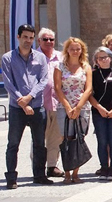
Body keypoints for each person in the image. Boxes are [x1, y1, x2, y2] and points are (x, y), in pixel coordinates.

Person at [2, 24, 53, 189]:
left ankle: (39, 175)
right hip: (17, 109)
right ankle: (11, 178)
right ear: (18, 37)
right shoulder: (8, 58)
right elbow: (9, 83)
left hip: (37, 107)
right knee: (13, 144)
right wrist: (22, 102)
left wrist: (29, 97)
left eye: (31, 38)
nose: (28, 41)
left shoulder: (40, 58)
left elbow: (43, 80)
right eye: (25, 37)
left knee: (39, 143)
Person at [54, 37, 93, 184]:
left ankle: (76, 172)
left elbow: (88, 88)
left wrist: (77, 107)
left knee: (79, 138)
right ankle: (67, 172)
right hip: (64, 107)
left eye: (78, 48)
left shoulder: (86, 67)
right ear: (67, 50)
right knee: (66, 138)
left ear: (82, 50)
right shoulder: (60, 66)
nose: (75, 51)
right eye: (72, 49)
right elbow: (57, 88)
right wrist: (68, 107)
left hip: (81, 107)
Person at [89, 46, 112, 181]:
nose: (103, 60)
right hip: (99, 112)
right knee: (102, 140)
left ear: (111, 58)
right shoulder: (92, 74)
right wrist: (99, 108)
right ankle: (104, 167)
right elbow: (90, 95)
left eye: (105, 57)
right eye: (100, 58)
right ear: (96, 60)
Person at [37, 28, 65, 179]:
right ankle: (38, 166)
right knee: (39, 137)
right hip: (39, 104)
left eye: (51, 39)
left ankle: (52, 166)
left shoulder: (61, 57)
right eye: (45, 39)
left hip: (57, 102)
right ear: (39, 41)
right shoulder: (33, 57)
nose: (49, 42)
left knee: (56, 136)